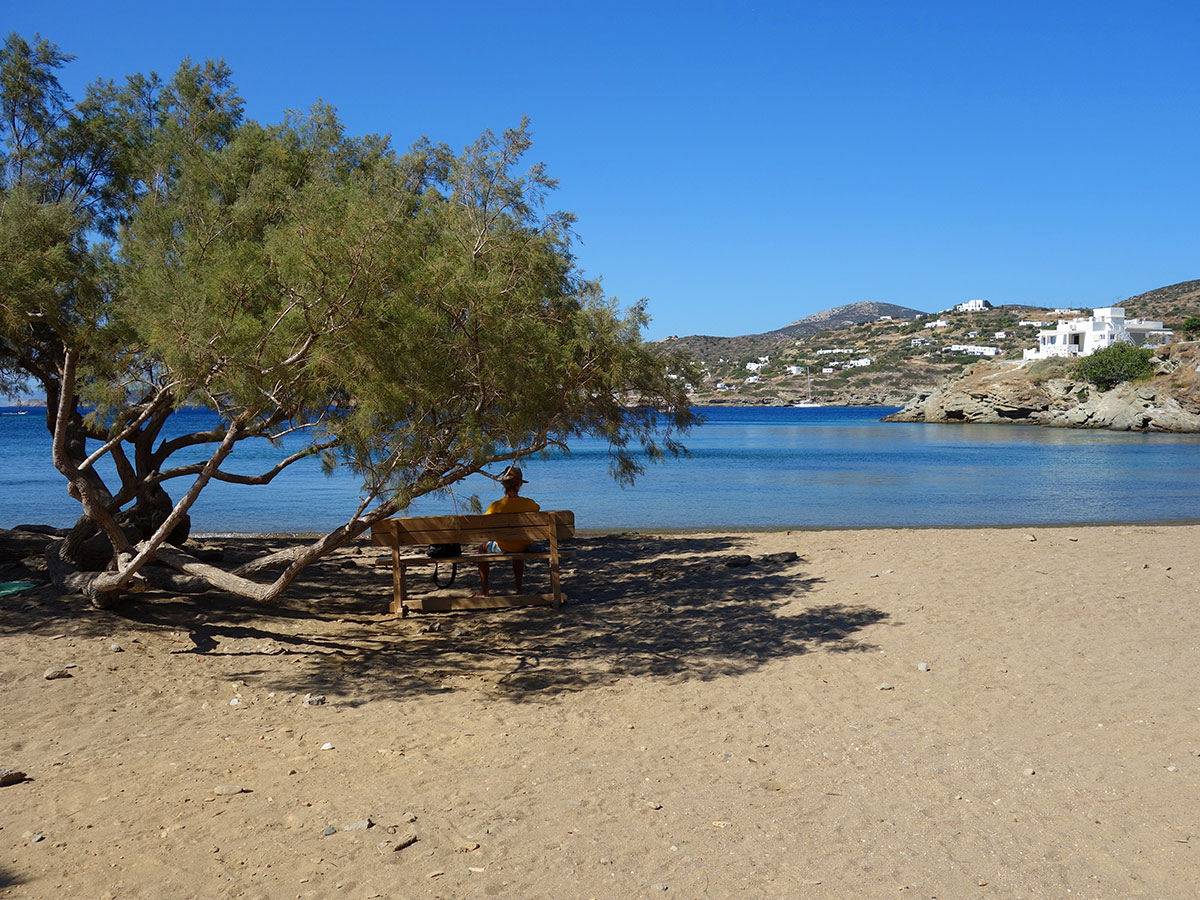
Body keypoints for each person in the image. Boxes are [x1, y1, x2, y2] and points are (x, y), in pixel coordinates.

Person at [475, 466, 539, 596]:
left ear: (504, 484)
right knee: (518, 543)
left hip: (503, 546)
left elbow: (486, 526)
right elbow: (537, 509)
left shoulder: (494, 507)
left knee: (481, 548)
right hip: (524, 545)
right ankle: (519, 589)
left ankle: (485, 590)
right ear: (520, 484)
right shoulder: (529, 503)